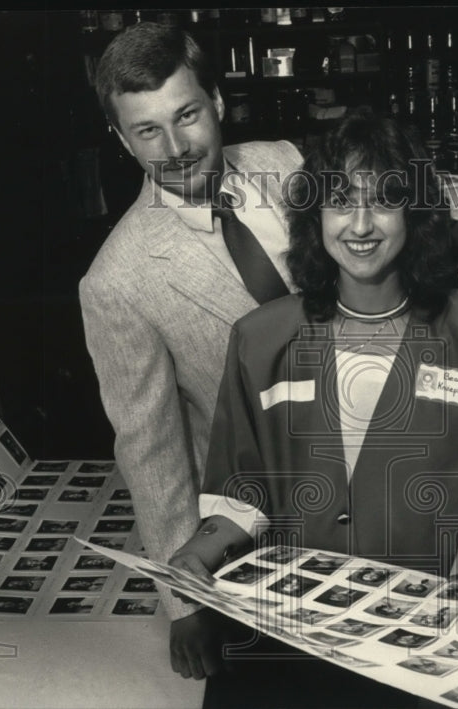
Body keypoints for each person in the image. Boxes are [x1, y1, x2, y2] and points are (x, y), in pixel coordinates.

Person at [168, 110, 458, 708]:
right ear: (315, 216)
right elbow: (243, 492)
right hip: (294, 627)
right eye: (341, 200)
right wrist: (196, 553)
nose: (361, 224)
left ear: (415, 212)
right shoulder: (261, 339)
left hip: (423, 632)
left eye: (384, 200)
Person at [78, 22, 302, 680]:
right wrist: (185, 604)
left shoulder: (288, 163)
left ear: (219, 102)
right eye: (147, 130)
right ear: (121, 140)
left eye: (187, 115)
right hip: (267, 527)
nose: (175, 149)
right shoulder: (116, 281)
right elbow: (151, 451)